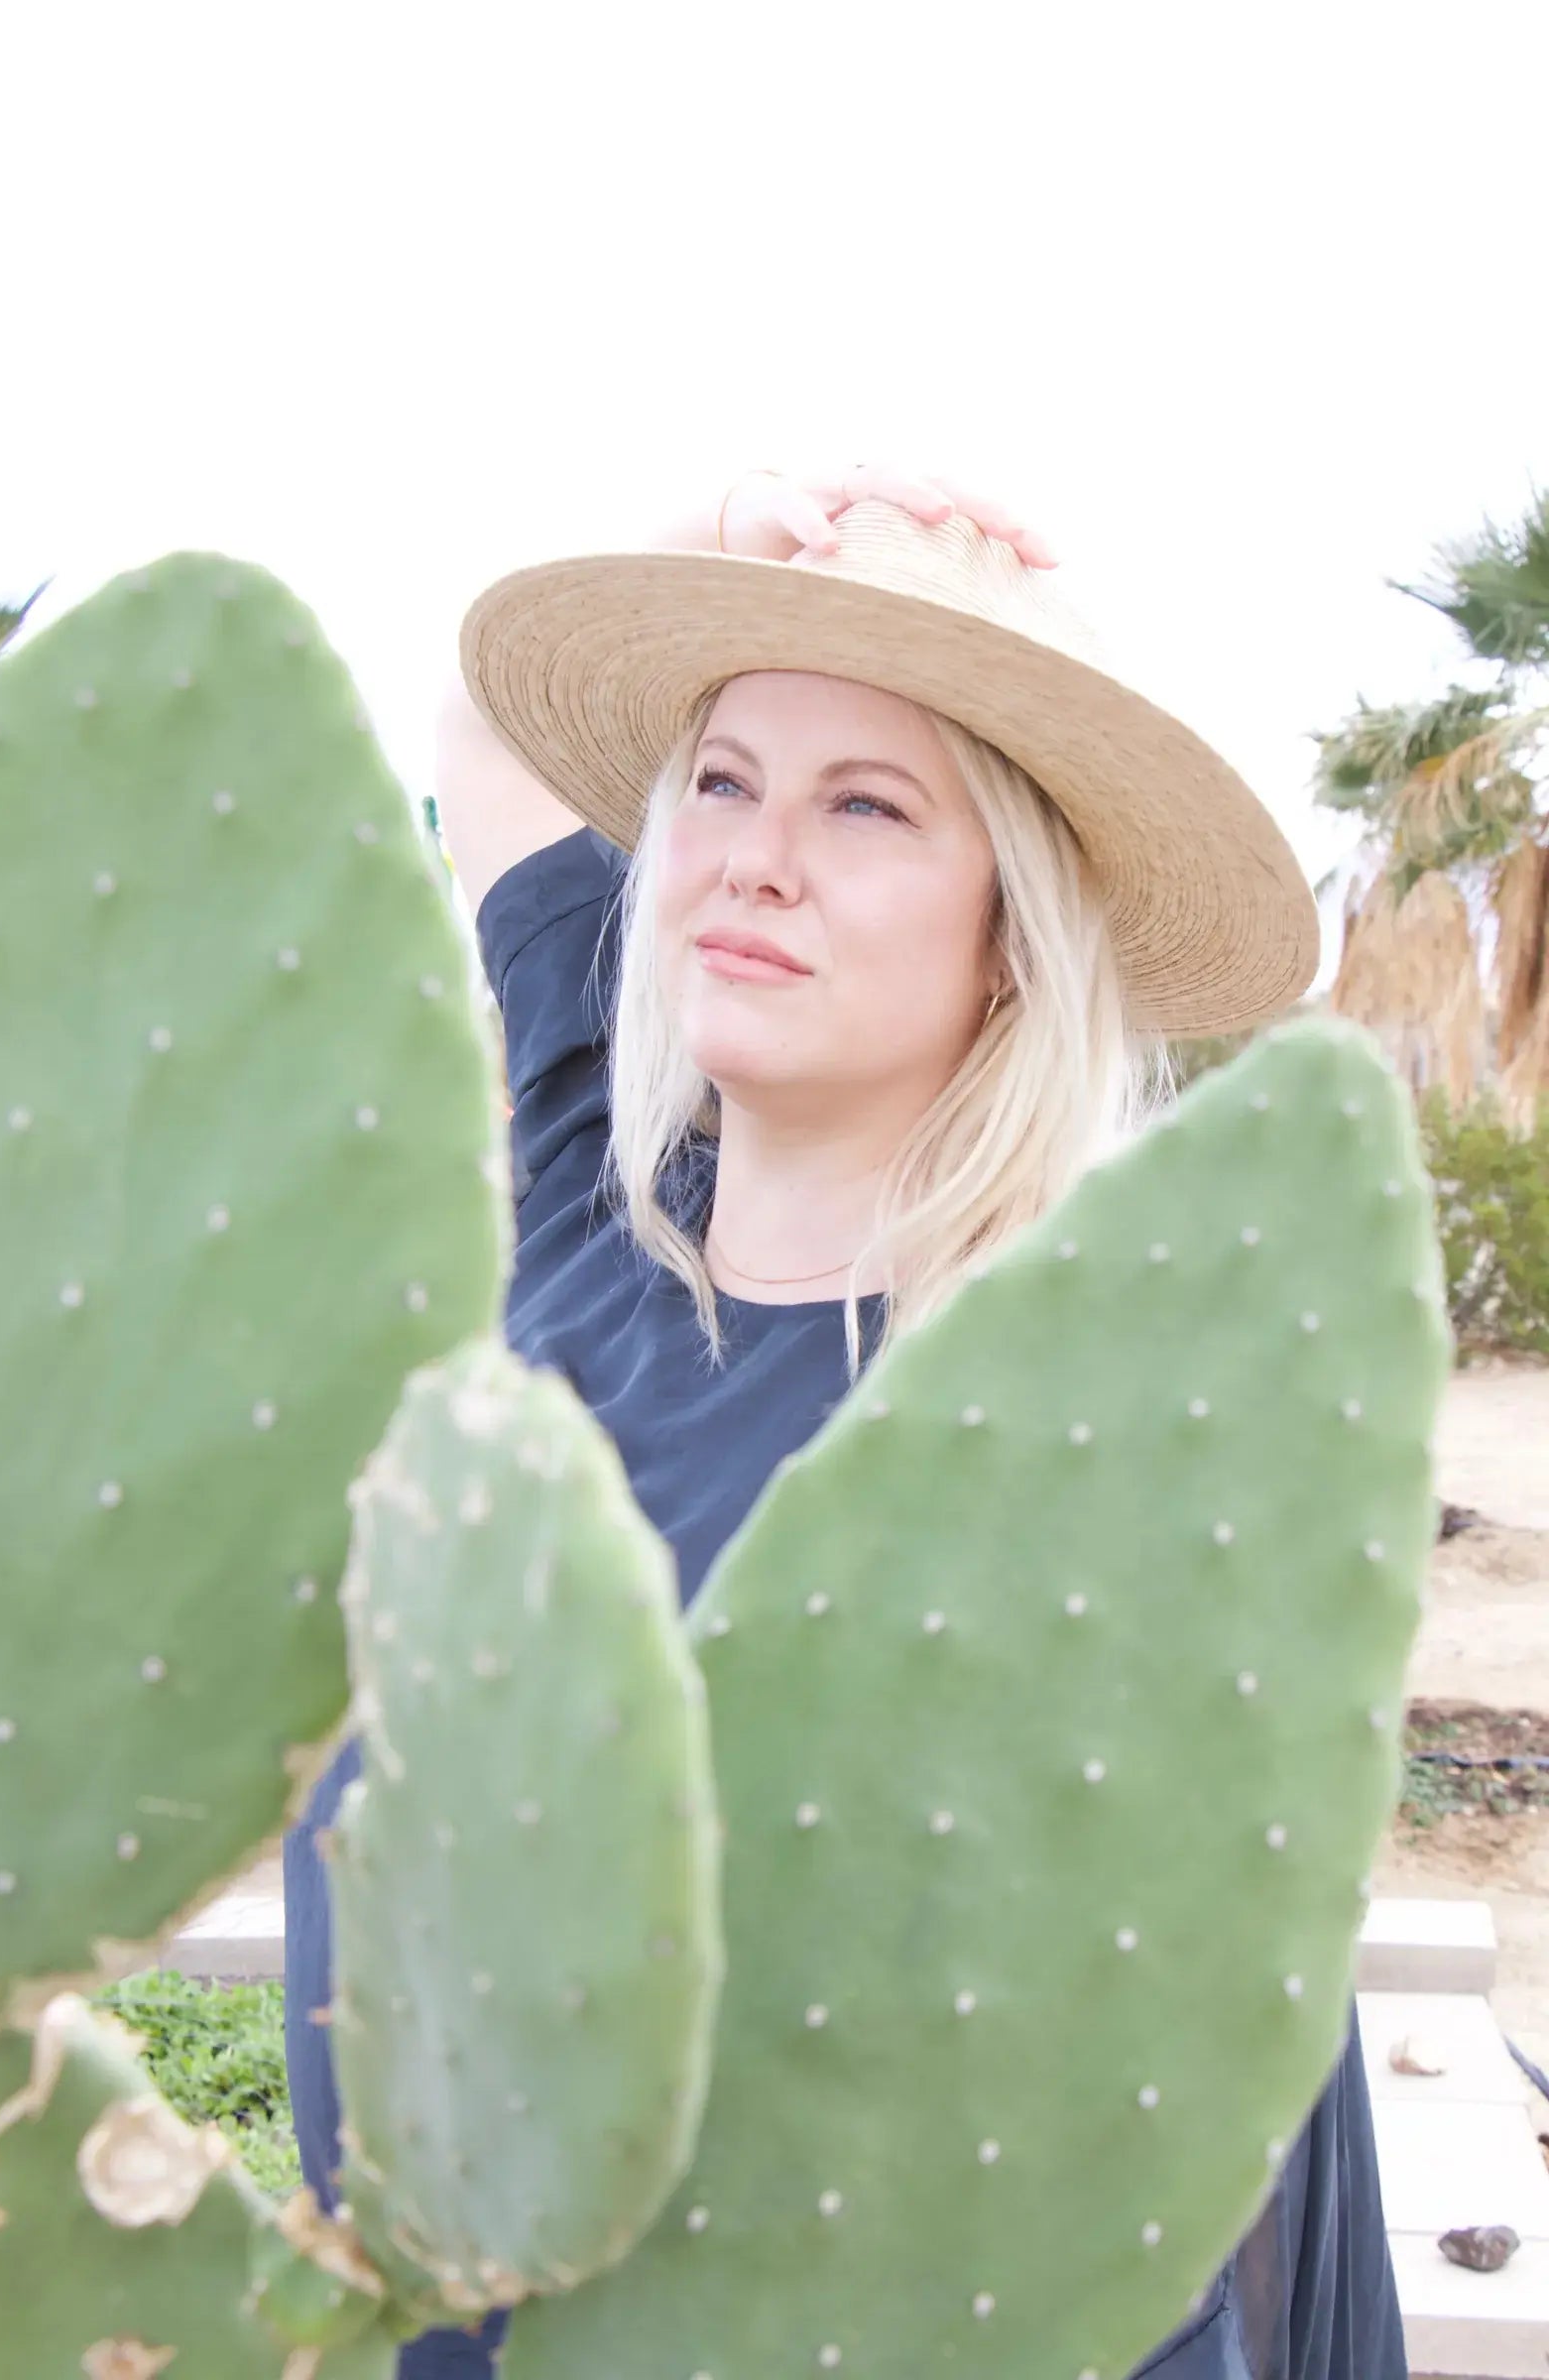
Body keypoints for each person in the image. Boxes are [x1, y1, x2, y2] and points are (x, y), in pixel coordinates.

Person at [284, 461, 1408, 2379]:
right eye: (720, 780)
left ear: (1010, 935)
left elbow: (1111, 2166)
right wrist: (737, 536)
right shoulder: (587, 1201)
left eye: (866, 805)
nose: (753, 859)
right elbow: (485, 711)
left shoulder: (1054, 1457)